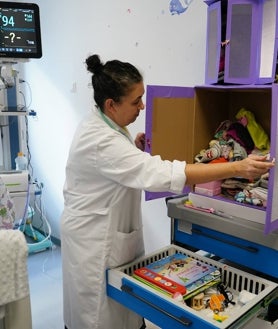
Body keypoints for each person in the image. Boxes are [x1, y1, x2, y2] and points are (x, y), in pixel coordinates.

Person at [60, 54, 274, 329]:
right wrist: (236, 168)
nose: (143, 106)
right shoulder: (101, 141)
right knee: (99, 317)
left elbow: (116, 162)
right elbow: (162, 173)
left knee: (122, 309)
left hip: (106, 230)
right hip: (93, 241)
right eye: (136, 101)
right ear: (111, 104)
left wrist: (132, 148)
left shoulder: (105, 123)